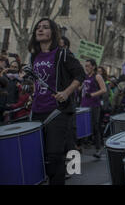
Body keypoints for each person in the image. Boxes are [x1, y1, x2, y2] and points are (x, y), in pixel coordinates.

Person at [28, 18, 85, 185]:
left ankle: (71, 168)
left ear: (53, 32)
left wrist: (66, 92)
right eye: (38, 27)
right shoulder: (34, 57)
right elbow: (37, 82)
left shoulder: (62, 54)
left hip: (57, 111)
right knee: (41, 156)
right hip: (37, 110)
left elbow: (80, 74)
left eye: (45, 27)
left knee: (55, 156)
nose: (40, 30)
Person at [80, 59, 107, 158]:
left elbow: (104, 89)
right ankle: (80, 146)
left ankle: (98, 149)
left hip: (94, 105)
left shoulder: (97, 76)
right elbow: (81, 88)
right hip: (84, 104)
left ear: (93, 67)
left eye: (88, 66)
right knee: (82, 125)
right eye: (85, 66)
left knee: (95, 127)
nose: (86, 68)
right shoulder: (85, 76)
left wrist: (92, 95)